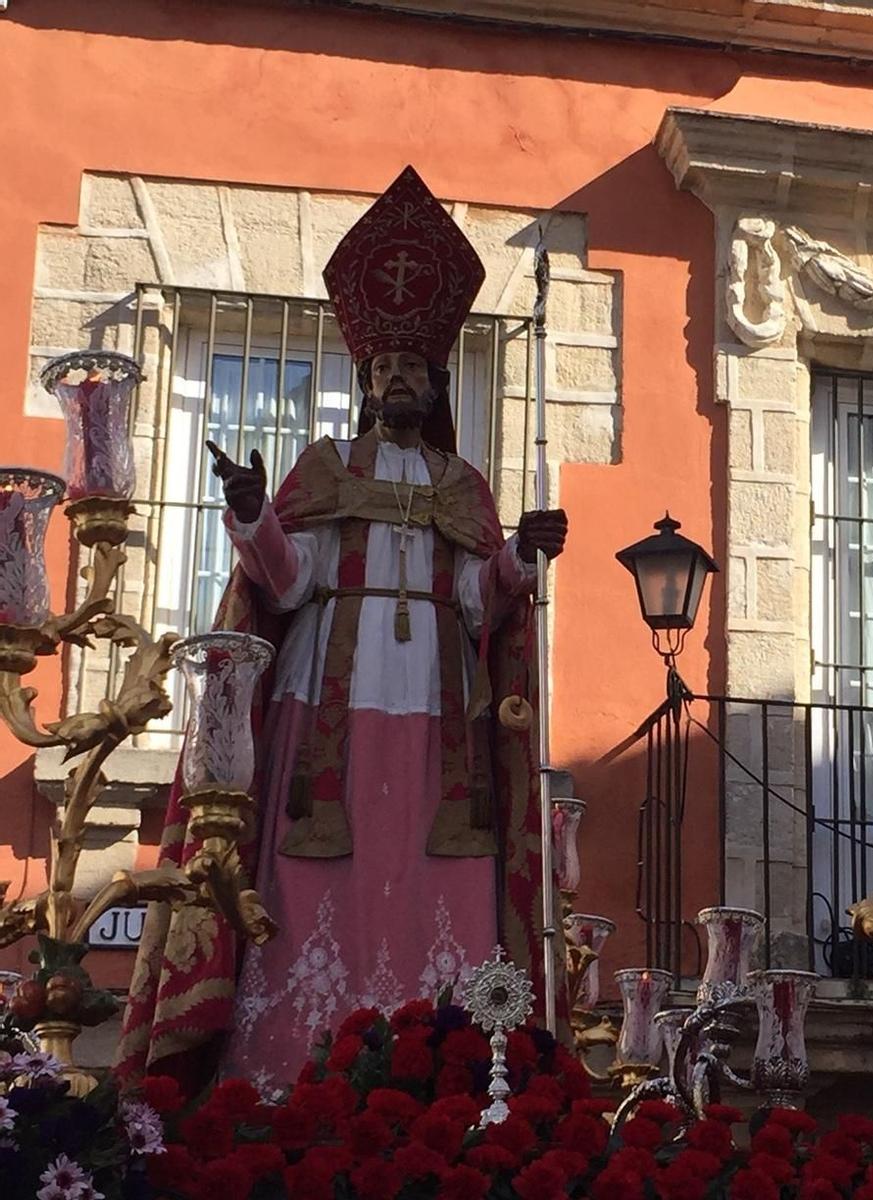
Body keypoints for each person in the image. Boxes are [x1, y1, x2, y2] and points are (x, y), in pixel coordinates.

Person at [116, 167, 566, 1089]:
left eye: (411, 369)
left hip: (443, 726)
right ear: (366, 383)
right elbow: (283, 584)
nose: (397, 379)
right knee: (312, 878)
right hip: (324, 707)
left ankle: (443, 1076)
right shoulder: (320, 466)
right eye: (383, 368)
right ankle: (287, 1072)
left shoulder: (463, 485)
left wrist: (522, 551)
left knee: (438, 884)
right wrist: (252, 516)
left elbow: (482, 600)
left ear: (435, 382)